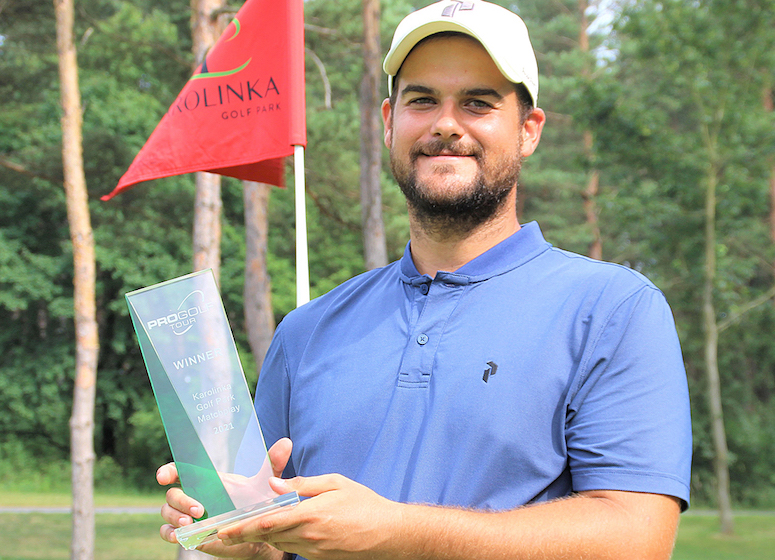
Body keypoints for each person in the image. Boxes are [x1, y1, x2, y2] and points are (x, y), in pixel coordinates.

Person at [158, 1, 692, 559]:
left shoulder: (613, 310)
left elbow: (638, 538)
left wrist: (399, 532)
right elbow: (275, 541)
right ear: (390, 121)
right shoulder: (306, 330)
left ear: (529, 131)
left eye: (478, 103)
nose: (444, 123)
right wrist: (243, 540)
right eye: (422, 100)